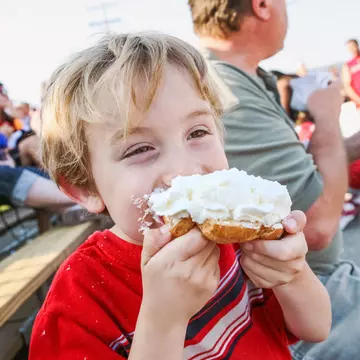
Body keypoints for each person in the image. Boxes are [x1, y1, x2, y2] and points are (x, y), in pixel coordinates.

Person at [29, 33, 331, 360]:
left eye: (197, 132)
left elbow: (315, 328)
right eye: (140, 149)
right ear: (84, 188)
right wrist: (164, 320)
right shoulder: (78, 303)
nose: (185, 169)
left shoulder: (238, 238)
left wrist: (293, 274)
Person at [188, 1, 359, 359]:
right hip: (294, 303)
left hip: (313, 286)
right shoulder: (223, 88)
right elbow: (317, 225)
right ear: (262, 6)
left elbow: (304, 175)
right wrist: (326, 116)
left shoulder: (238, 77)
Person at [342, 39, 360, 107]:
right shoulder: (348, 65)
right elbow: (347, 86)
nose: (351, 49)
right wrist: (358, 100)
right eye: (349, 48)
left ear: (357, 45)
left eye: (352, 46)